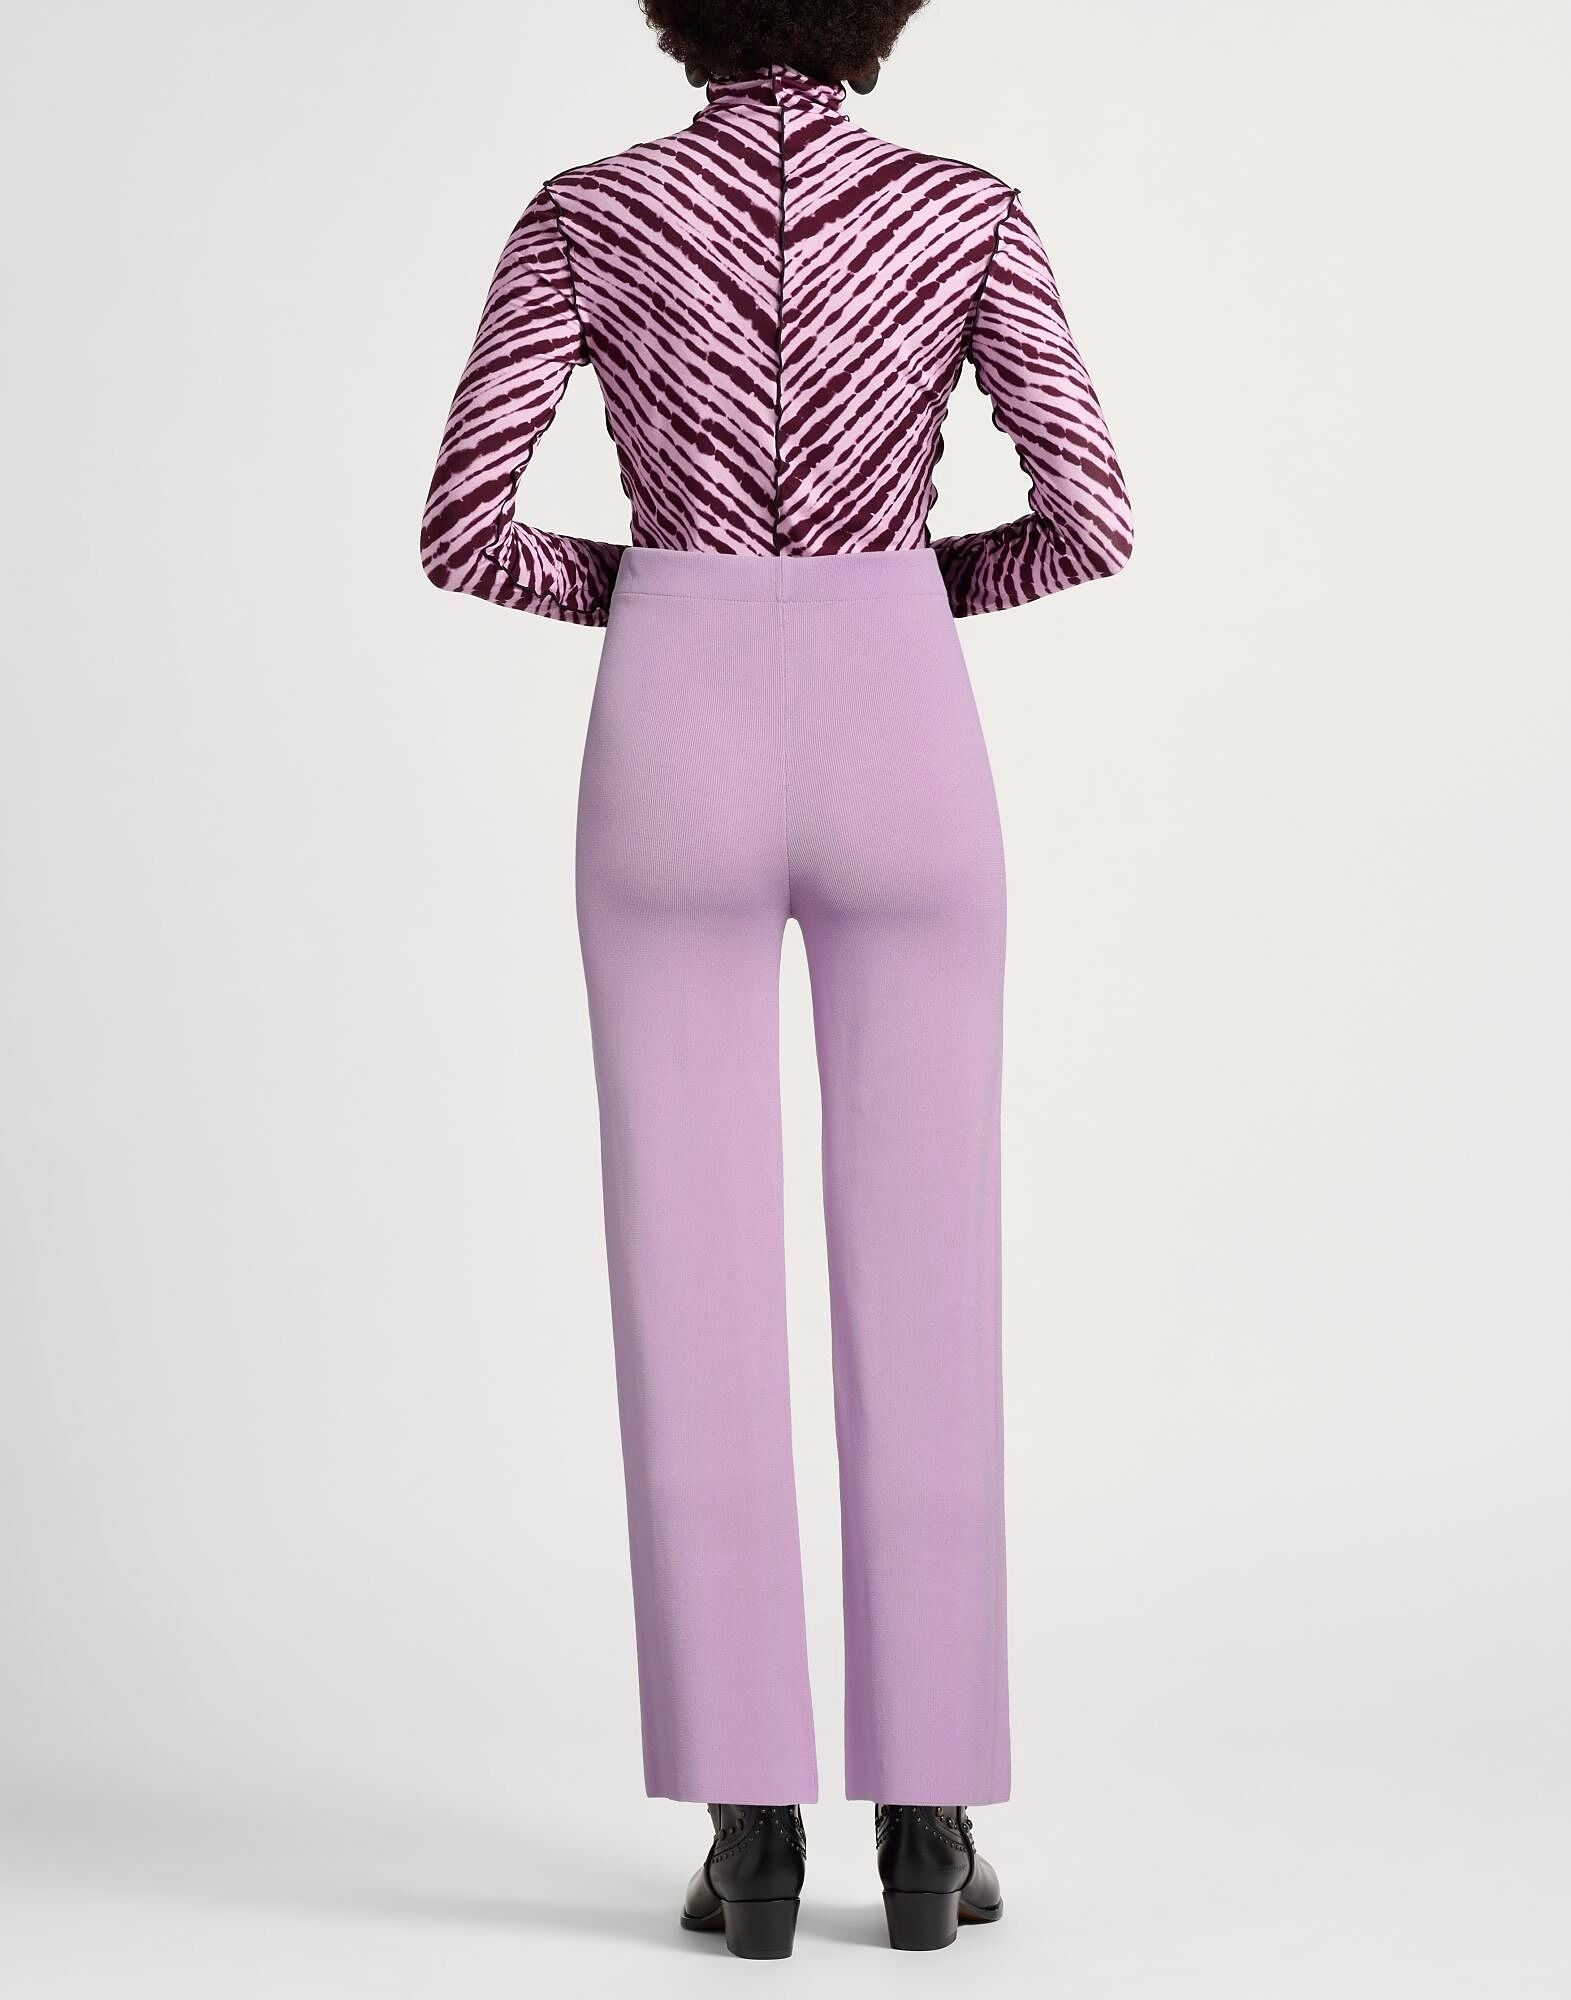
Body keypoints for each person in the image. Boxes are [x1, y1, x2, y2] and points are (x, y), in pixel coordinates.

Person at [419, 0, 1133, 1959]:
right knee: (934, 1271)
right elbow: (1091, 516)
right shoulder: (964, 210)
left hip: (677, 723)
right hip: (905, 716)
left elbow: (464, 529)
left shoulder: (591, 211)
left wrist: (665, 593)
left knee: (689, 1272)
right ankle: (927, 1826)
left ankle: (752, 1838)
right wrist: (896, 594)